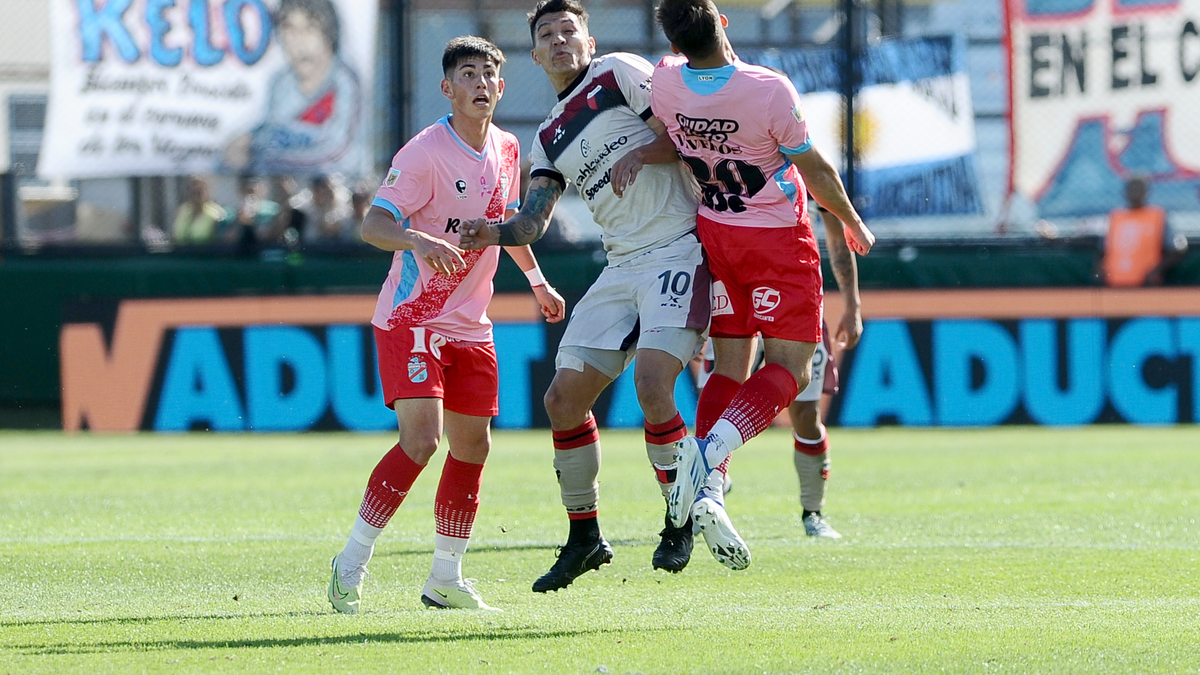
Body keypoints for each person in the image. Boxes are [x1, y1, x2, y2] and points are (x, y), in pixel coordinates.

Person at [460, 0, 748, 589]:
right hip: (620, 266)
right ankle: (585, 536)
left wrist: (644, 151)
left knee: (652, 383)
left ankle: (680, 517)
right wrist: (486, 232)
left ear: (588, 39)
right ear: (535, 55)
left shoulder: (618, 72)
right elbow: (532, 221)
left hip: (678, 246)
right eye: (548, 34)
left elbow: (685, 129)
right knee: (562, 401)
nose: (561, 39)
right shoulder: (547, 136)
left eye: (571, 30)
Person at [326, 36, 566, 613]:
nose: (480, 83)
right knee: (421, 440)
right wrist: (416, 238)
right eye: (468, 74)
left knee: (473, 446)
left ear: (502, 87)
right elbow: (373, 224)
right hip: (414, 318)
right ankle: (351, 561)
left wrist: (535, 280)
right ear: (447, 88)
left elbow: (502, 226)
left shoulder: (509, 149)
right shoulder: (424, 152)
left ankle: (444, 578)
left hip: (471, 325)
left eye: (489, 75)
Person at [648, 0, 875, 541]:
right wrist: (854, 221)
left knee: (729, 367)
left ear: (676, 45)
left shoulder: (665, 81)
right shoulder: (768, 89)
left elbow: (673, 131)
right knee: (792, 371)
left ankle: (707, 490)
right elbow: (814, 168)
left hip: (717, 236)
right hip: (774, 239)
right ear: (722, 22)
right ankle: (707, 456)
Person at [696, 206, 863, 539]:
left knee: (804, 414)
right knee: (721, 396)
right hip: (735, 289)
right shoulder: (721, 160)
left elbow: (835, 236)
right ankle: (709, 488)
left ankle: (813, 512)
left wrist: (852, 303)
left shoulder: (807, 168)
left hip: (790, 299)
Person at [224, 0, 366, 176]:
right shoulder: (281, 83)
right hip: (281, 186)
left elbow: (337, 152)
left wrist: (262, 158)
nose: (299, 41)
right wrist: (247, 141)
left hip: (340, 187)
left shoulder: (345, 81)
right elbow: (271, 130)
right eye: (289, 28)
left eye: (310, 28)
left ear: (329, 32)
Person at [1100, 176, 1188, 287]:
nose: (1135, 192)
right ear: (1125, 192)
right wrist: (1101, 271)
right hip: (1114, 283)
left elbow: (1179, 247)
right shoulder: (1115, 217)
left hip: (1145, 285)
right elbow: (1103, 250)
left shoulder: (1158, 216)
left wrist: (1156, 271)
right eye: (1132, 188)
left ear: (1146, 191)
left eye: (1139, 188)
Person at [172, 177, 226, 244]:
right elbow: (175, 237)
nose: (196, 197)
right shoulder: (182, 211)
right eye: (193, 192)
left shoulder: (216, 213)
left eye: (199, 193)